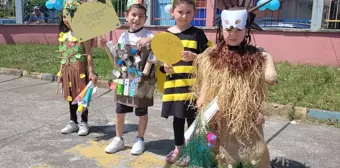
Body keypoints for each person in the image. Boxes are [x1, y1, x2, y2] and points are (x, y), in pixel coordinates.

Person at [181, 0, 278, 167]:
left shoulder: (255, 56)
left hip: (243, 115)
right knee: (214, 149)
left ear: (247, 30)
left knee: (253, 152)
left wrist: (267, 57)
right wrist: (202, 100)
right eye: (228, 30)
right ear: (221, 29)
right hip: (215, 114)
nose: (233, 35)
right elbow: (207, 78)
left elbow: (268, 80)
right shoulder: (211, 55)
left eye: (238, 30)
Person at [159, 0, 209, 165]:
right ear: (172, 12)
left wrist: (194, 57)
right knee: (178, 118)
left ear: (194, 14)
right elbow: (161, 62)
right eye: (180, 12)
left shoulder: (198, 34)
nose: (184, 16)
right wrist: (164, 67)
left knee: (192, 120)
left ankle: (190, 150)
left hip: (193, 85)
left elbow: (208, 59)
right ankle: (178, 148)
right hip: (174, 85)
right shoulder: (166, 35)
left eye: (189, 12)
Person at [103, 0, 156, 155]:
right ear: (126, 16)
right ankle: (118, 138)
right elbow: (117, 61)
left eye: (141, 16)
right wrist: (106, 46)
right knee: (120, 110)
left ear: (145, 19)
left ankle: (140, 139)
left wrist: (150, 40)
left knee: (142, 111)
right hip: (124, 80)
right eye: (133, 15)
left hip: (142, 82)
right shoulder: (123, 37)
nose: (136, 19)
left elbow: (162, 41)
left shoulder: (149, 34)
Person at [57, 0, 98, 136]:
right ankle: (72, 121)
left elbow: (89, 55)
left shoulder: (83, 34)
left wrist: (91, 71)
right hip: (68, 71)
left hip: (80, 71)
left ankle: (83, 122)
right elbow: (63, 55)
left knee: (82, 96)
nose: (67, 19)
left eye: (70, 16)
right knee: (70, 95)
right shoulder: (64, 36)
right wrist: (60, 71)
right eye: (64, 16)